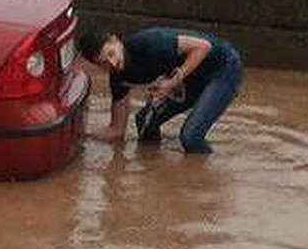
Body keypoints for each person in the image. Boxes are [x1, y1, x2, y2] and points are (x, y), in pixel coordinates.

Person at [77, 26, 243, 154]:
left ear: (115, 40)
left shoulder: (151, 43)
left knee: (190, 137)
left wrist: (172, 82)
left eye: (111, 54)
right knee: (144, 122)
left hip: (223, 69)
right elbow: (117, 130)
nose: (112, 64)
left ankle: (203, 177)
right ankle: (154, 168)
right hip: (188, 78)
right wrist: (79, 136)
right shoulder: (119, 79)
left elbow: (203, 47)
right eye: (103, 63)